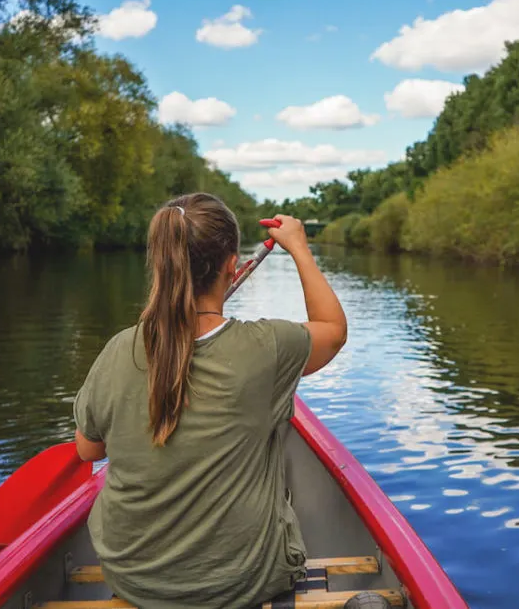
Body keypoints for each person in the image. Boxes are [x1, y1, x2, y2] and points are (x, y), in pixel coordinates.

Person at [71, 192, 347, 609]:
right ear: (232, 266)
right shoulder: (267, 348)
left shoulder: (118, 350)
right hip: (241, 586)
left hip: (135, 582)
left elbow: (87, 448)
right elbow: (333, 328)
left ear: (161, 263)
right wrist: (300, 249)